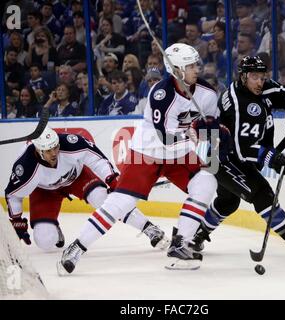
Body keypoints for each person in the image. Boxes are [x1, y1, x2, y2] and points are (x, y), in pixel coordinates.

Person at [58, 43, 230, 273]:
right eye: (190, 65)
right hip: (148, 153)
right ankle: (77, 246)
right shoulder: (161, 94)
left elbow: (213, 124)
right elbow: (166, 138)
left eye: (195, 64)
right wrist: (196, 137)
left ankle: (180, 244)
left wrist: (214, 143)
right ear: (177, 70)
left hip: (179, 154)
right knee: (122, 203)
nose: (196, 69)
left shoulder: (207, 93)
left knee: (206, 182)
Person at [190, 56, 285, 259]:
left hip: (224, 152)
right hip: (221, 157)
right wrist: (273, 159)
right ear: (243, 76)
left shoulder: (261, 86)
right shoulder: (240, 105)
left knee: (228, 201)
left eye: (262, 77)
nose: (259, 82)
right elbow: (242, 150)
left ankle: (197, 235)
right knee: (262, 194)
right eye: (254, 77)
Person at [5, 127, 169, 253]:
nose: (54, 153)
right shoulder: (25, 166)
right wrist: (17, 221)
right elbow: (12, 195)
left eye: (55, 147)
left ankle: (149, 228)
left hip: (77, 177)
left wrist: (112, 179)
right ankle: (54, 229)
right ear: (38, 151)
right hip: (44, 191)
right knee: (45, 241)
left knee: (103, 199)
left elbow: (97, 160)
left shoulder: (71, 142)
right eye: (48, 151)